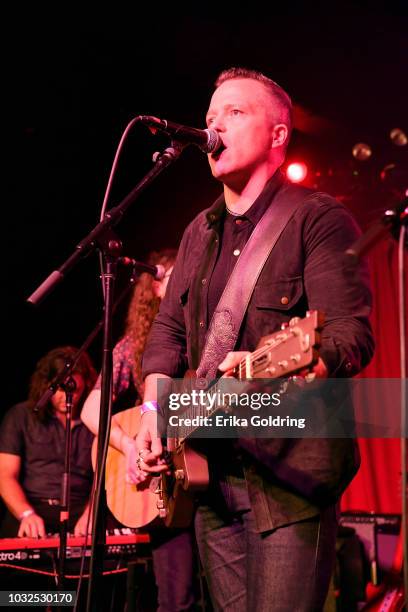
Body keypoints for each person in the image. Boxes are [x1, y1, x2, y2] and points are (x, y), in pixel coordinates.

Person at [131, 67, 375, 611]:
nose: (214, 127)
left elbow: (349, 334)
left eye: (234, 114)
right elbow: (167, 331)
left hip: (289, 479)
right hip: (207, 478)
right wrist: (152, 410)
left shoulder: (319, 220)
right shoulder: (199, 231)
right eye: (210, 118)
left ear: (278, 135)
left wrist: (307, 365)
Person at [81, 249, 197, 612]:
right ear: (154, 292)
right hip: (167, 490)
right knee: (176, 600)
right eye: (171, 280)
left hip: (211, 474)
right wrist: (130, 446)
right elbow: (89, 409)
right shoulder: (132, 347)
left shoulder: (209, 337)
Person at [0, 346, 97, 538]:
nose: (67, 397)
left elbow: (106, 478)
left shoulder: (95, 422)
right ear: (48, 384)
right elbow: (4, 476)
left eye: (75, 389)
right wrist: (26, 514)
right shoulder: (21, 416)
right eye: (60, 389)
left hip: (82, 510)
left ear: (86, 384)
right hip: (32, 507)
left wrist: (92, 513)